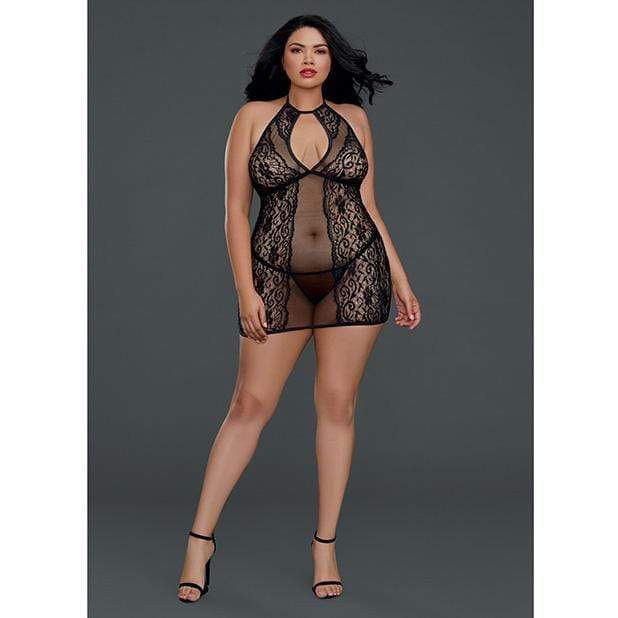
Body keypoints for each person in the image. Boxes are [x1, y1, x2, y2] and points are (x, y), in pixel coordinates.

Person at [177, 14, 421, 603]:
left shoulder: (354, 119)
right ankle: (199, 542)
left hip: (357, 274)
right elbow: (236, 212)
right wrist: (245, 290)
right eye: (297, 49)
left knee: (337, 406)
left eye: (319, 50)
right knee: (249, 405)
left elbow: (368, 206)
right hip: (275, 279)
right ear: (281, 59)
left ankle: (324, 545)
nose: (309, 59)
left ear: (331, 60)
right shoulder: (252, 117)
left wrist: (401, 278)